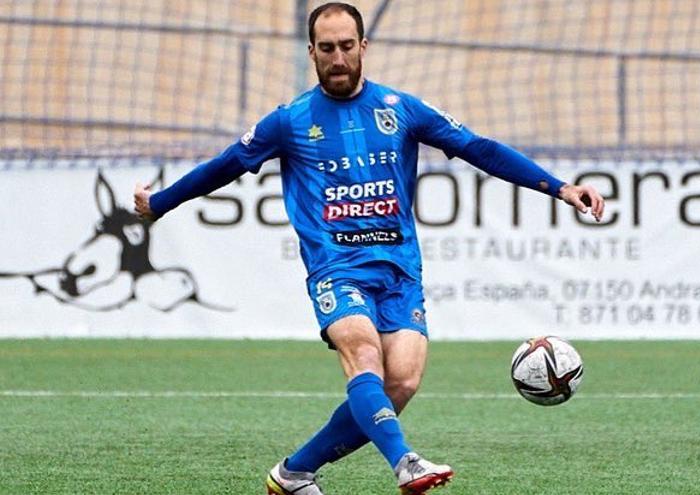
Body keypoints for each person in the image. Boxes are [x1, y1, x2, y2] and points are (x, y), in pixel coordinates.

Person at [133, 3, 605, 494]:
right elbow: (226, 164)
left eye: (346, 46)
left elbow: (480, 149)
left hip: (400, 271)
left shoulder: (401, 110)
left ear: (363, 47)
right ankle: (404, 462)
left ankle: (293, 473)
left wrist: (560, 188)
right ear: (311, 52)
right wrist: (161, 203)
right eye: (327, 48)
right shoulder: (289, 121)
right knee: (363, 354)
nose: (338, 58)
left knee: (400, 383)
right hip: (336, 268)